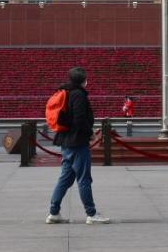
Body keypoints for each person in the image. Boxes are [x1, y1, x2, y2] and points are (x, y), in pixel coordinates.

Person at [46, 66, 109, 225]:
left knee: (66, 178)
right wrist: (91, 133)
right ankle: (91, 213)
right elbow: (80, 119)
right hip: (78, 142)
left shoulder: (65, 92)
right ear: (83, 81)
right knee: (84, 178)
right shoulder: (78, 95)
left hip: (66, 141)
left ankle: (53, 212)